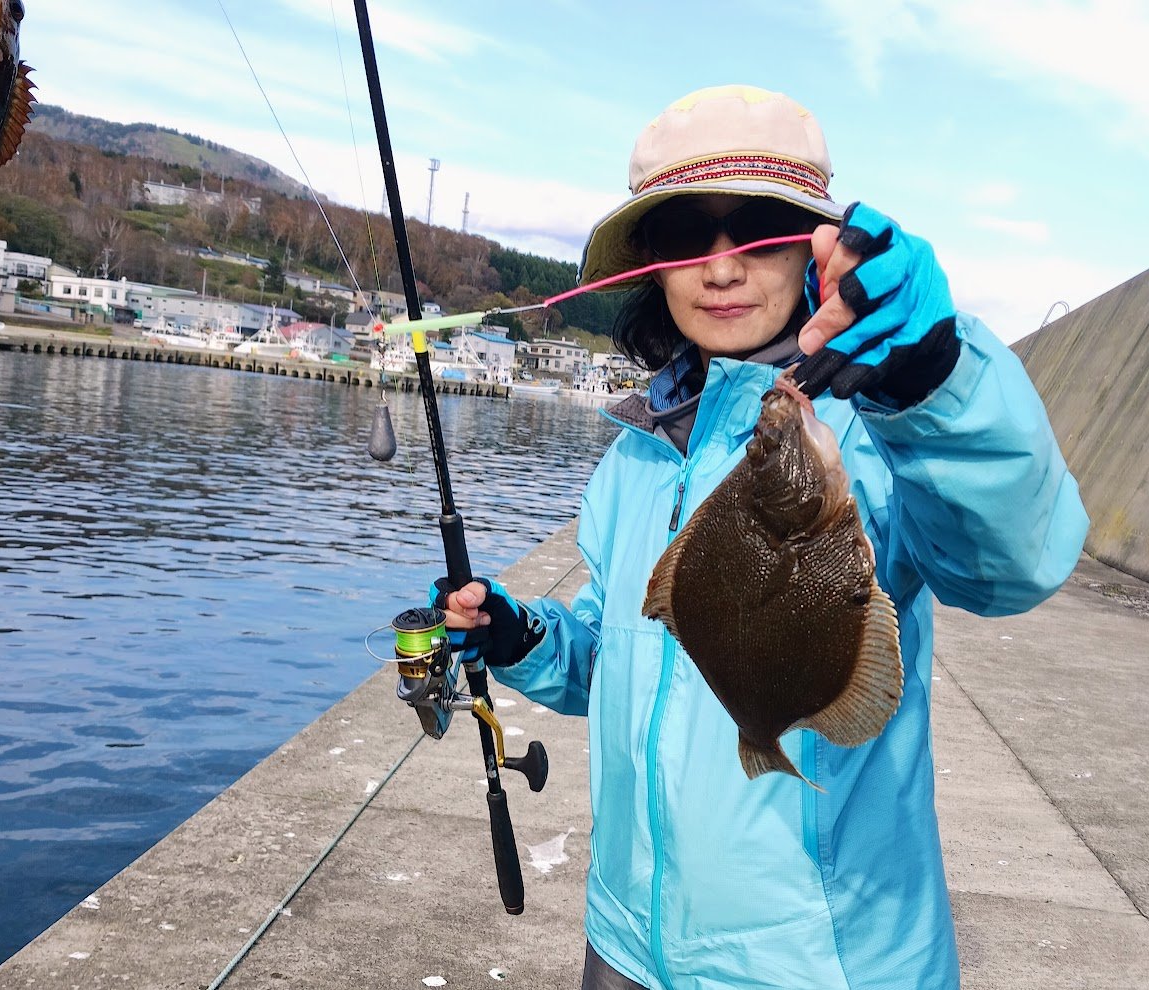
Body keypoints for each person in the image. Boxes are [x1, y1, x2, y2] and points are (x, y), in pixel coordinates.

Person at [434, 85, 1088, 990]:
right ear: (649, 269)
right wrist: (524, 638)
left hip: (822, 962)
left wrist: (938, 378)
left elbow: (1012, 564)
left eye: (757, 229)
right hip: (626, 939)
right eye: (683, 239)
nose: (721, 267)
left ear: (814, 247)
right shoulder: (636, 455)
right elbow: (620, 656)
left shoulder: (880, 428)